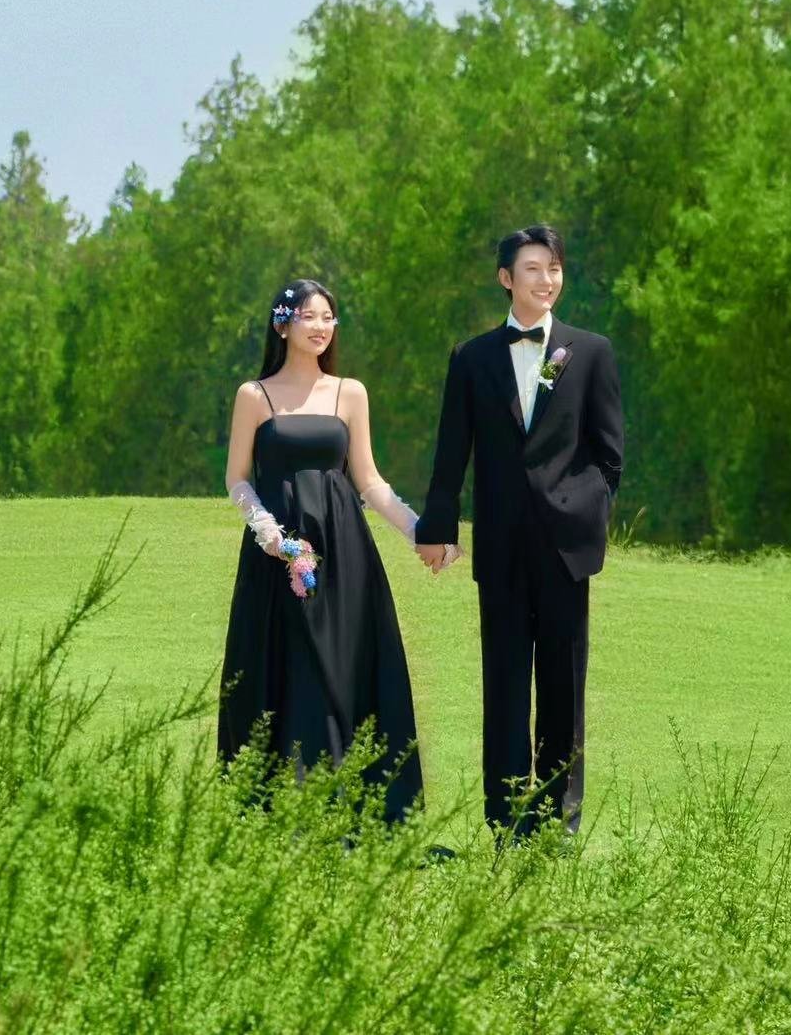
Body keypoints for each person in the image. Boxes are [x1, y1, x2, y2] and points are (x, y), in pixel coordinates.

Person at [415, 225, 623, 835]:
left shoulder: (591, 352)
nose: (546, 279)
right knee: (504, 684)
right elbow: (451, 452)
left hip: (566, 550)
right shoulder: (471, 358)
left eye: (554, 267)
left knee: (564, 685)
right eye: (533, 268)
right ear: (506, 278)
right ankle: (505, 820)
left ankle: (560, 819)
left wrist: (586, 512)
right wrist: (437, 527)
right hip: (501, 547)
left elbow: (609, 455)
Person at [217, 277, 450, 821]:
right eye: (309, 316)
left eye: (328, 317)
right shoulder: (255, 395)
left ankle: (356, 811)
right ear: (283, 325)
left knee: (346, 668)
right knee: (287, 670)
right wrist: (271, 535)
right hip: (275, 557)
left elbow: (369, 481)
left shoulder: (351, 392)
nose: (321, 326)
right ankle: (281, 810)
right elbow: (237, 478)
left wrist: (420, 532)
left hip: (345, 554)